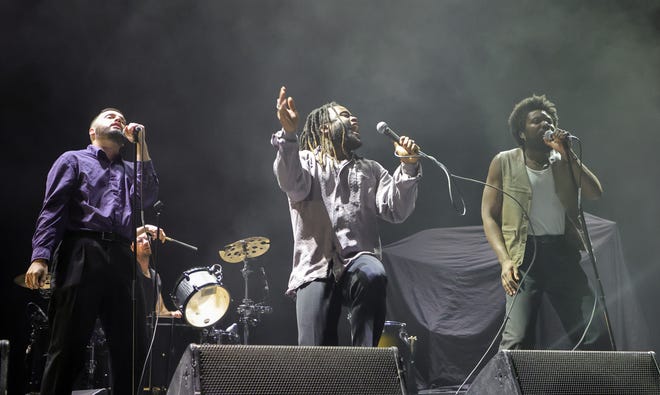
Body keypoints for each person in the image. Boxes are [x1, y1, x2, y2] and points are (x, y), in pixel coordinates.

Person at [272, 86, 422, 347]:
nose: (354, 119)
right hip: (315, 267)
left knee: (373, 273)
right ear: (325, 129)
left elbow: (396, 209)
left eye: (353, 116)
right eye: (344, 115)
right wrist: (289, 134)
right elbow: (290, 182)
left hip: (357, 260)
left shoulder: (370, 170)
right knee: (315, 353)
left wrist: (408, 166)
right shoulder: (306, 160)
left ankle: (363, 361)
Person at [24, 108, 159, 394]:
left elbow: (148, 195)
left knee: (132, 349)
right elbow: (53, 209)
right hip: (82, 250)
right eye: (109, 115)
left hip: (122, 255)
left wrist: (142, 144)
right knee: (67, 348)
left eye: (121, 117)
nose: (117, 119)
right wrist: (40, 256)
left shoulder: (128, 169)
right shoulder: (73, 160)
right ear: (92, 131)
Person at [481, 94, 608, 350]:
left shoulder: (564, 161)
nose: (545, 125)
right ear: (522, 133)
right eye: (537, 121)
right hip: (525, 259)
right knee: (516, 339)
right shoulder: (504, 161)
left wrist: (569, 154)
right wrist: (505, 261)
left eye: (549, 121)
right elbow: (489, 215)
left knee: (593, 335)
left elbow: (595, 192)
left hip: (563, 255)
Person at [133, 225, 182, 319]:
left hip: (146, 328)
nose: (146, 242)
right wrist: (146, 227)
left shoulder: (155, 276)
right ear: (131, 247)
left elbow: (160, 311)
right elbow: (124, 237)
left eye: (147, 239)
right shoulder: (128, 271)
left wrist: (172, 313)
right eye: (140, 241)